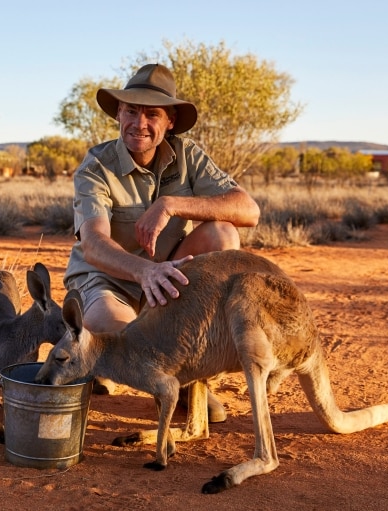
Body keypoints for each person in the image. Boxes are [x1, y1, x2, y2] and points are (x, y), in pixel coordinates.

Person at [64, 63, 260, 423]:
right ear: (118, 114)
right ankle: (94, 358)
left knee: (223, 234)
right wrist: (146, 272)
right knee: (121, 333)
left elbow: (248, 210)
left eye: (151, 114)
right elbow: (92, 244)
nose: (139, 123)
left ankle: (187, 381)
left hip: (166, 275)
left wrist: (170, 204)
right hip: (106, 281)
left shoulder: (188, 156)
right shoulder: (96, 166)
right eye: (131, 111)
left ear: (170, 120)